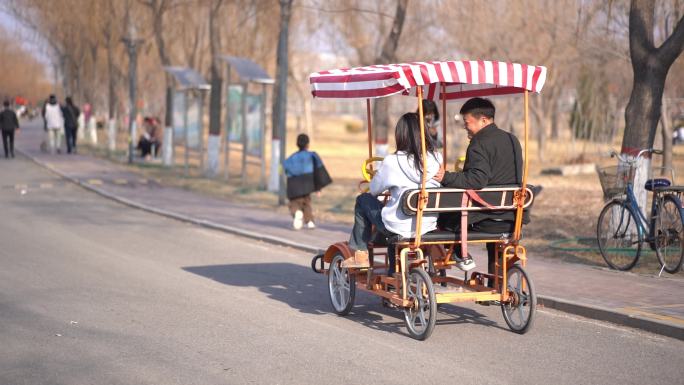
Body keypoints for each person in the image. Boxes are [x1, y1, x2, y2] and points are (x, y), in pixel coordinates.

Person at [434, 97, 523, 279]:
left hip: (485, 216)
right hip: (511, 215)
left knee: (440, 217)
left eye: (467, 123)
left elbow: (477, 180)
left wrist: (446, 177)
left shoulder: (479, 143)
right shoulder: (512, 139)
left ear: (483, 120)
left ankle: (460, 254)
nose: (465, 127)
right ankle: (495, 284)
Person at [342, 112, 443, 268]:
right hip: (427, 225)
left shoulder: (392, 161)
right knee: (394, 214)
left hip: (398, 226)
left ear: (400, 135)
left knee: (363, 200)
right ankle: (393, 272)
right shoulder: (437, 158)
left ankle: (360, 253)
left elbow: (374, 190)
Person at [283, 134, 328, 230]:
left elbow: (284, 168)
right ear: (308, 144)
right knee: (306, 203)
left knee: (294, 203)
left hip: (293, 184)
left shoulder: (291, 158)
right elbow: (318, 171)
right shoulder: (312, 156)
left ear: (297, 144)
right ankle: (310, 222)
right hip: (308, 183)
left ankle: (296, 213)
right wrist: (318, 187)